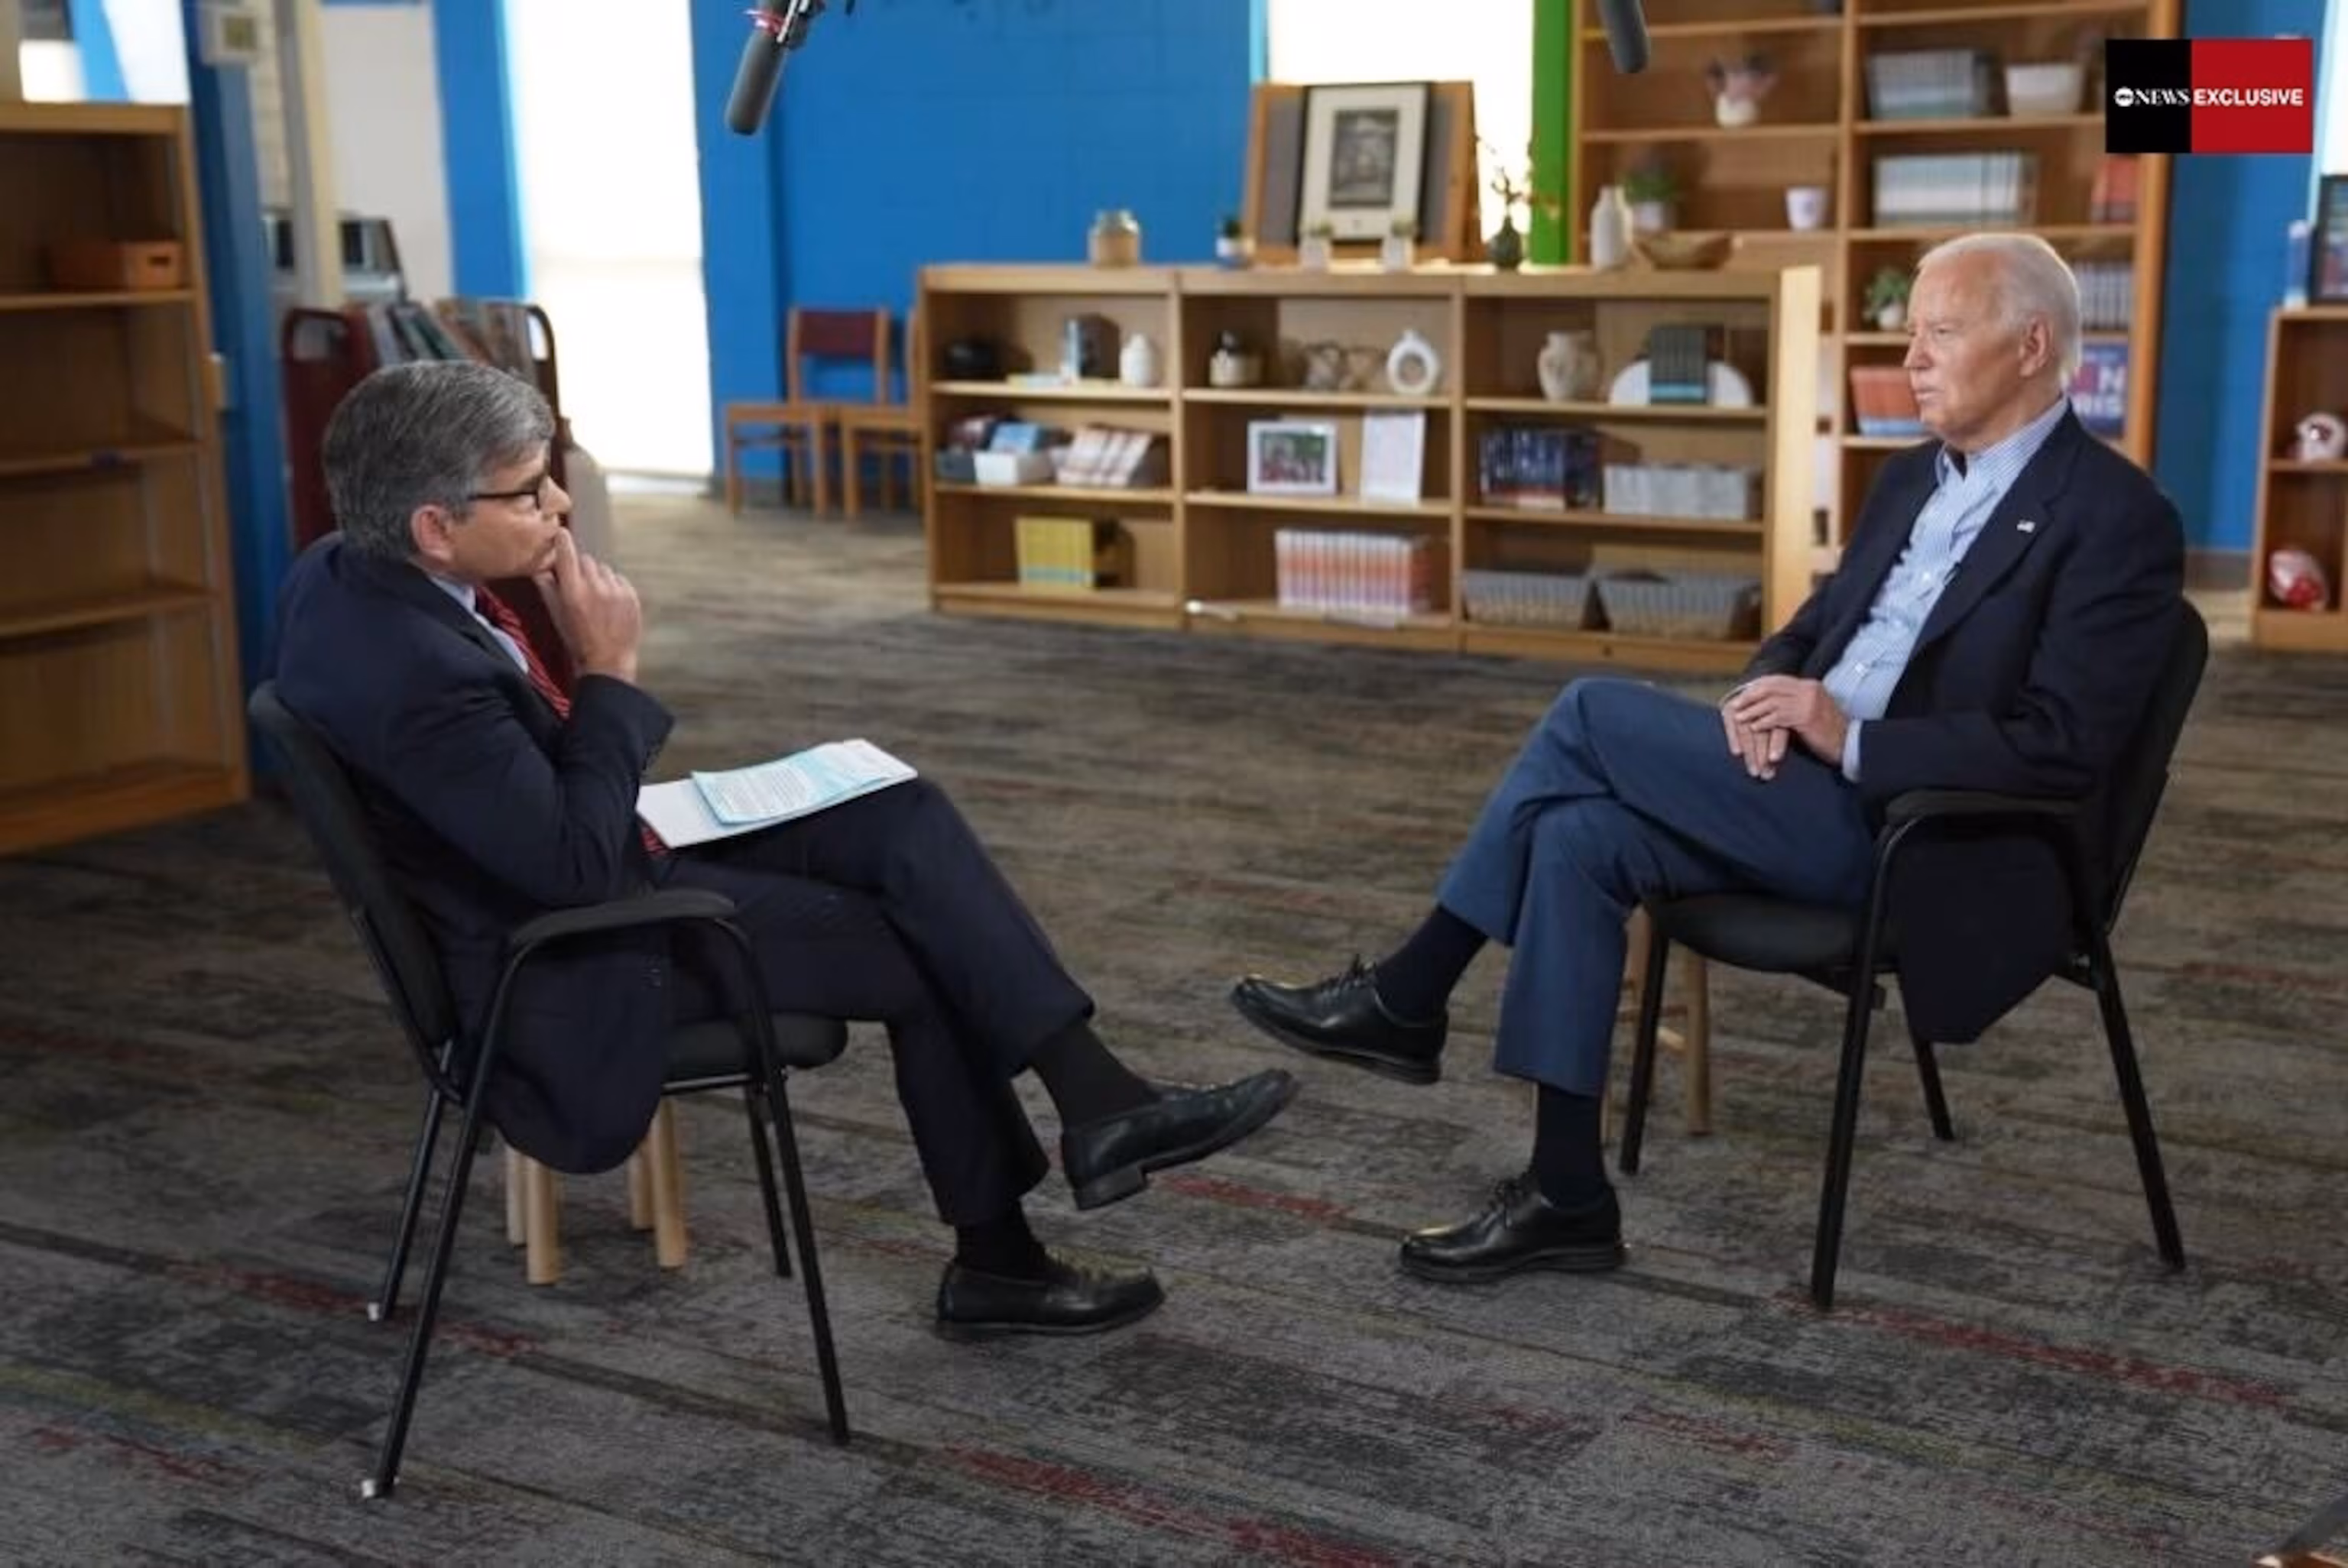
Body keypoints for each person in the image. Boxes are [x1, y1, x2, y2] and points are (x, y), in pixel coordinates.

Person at [1230, 232, 2186, 1284]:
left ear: (2032, 346)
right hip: (1799, 788)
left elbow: (2062, 745)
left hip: (1919, 835)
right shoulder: (1911, 477)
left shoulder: (2117, 519)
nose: (1911, 358)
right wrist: (1762, 698)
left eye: (1942, 334)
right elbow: (1813, 629)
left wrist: (1850, 738)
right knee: (1578, 835)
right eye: (1911, 334)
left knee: (1587, 712)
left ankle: (1410, 996)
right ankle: (1566, 1194)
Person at [273, 361, 1294, 1340]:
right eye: (529, 492)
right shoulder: (418, 677)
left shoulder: (344, 570)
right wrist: (608, 668)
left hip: (574, 864)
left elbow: (526, 814)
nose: (560, 506)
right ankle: (1003, 1260)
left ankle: (1098, 1098)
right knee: (926, 944)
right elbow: (573, 871)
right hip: (577, 960)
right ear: (434, 527)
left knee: (898, 810)